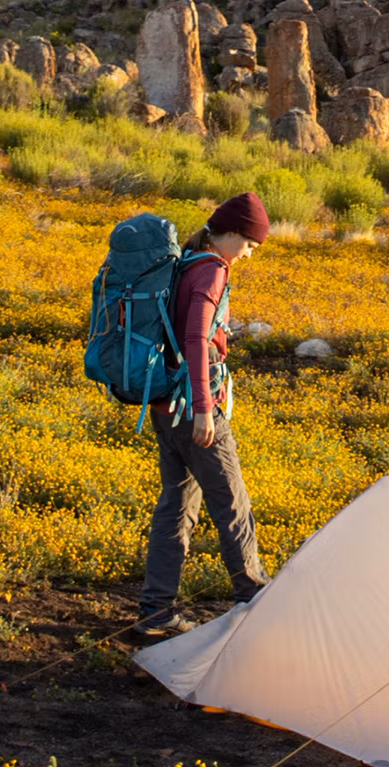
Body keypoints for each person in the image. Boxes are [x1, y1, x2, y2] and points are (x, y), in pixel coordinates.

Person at [134, 192, 272, 636]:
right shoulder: (211, 270)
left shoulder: (187, 261)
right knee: (231, 501)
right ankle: (254, 602)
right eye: (249, 244)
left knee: (176, 506)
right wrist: (203, 410)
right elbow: (195, 339)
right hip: (191, 407)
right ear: (231, 233)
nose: (249, 254)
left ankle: (155, 613)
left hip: (163, 404)